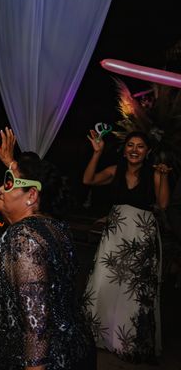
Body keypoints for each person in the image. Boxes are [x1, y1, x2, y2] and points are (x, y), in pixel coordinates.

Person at [0, 129, 97, 370]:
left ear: (31, 196)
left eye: (8, 183)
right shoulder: (55, 227)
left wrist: (35, 366)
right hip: (74, 350)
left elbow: (36, 325)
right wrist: (12, 165)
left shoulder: (25, 239)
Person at [82, 129, 170, 362]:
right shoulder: (115, 171)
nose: (134, 150)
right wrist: (97, 153)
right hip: (115, 235)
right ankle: (98, 336)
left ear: (148, 151)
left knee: (132, 290)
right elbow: (87, 179)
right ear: (125, 150)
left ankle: (126, 342)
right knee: (104, 281)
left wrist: (164, 176)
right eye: (130, 145)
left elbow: (162, 204)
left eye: (140, 146)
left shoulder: (154, 174)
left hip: (141, 238)